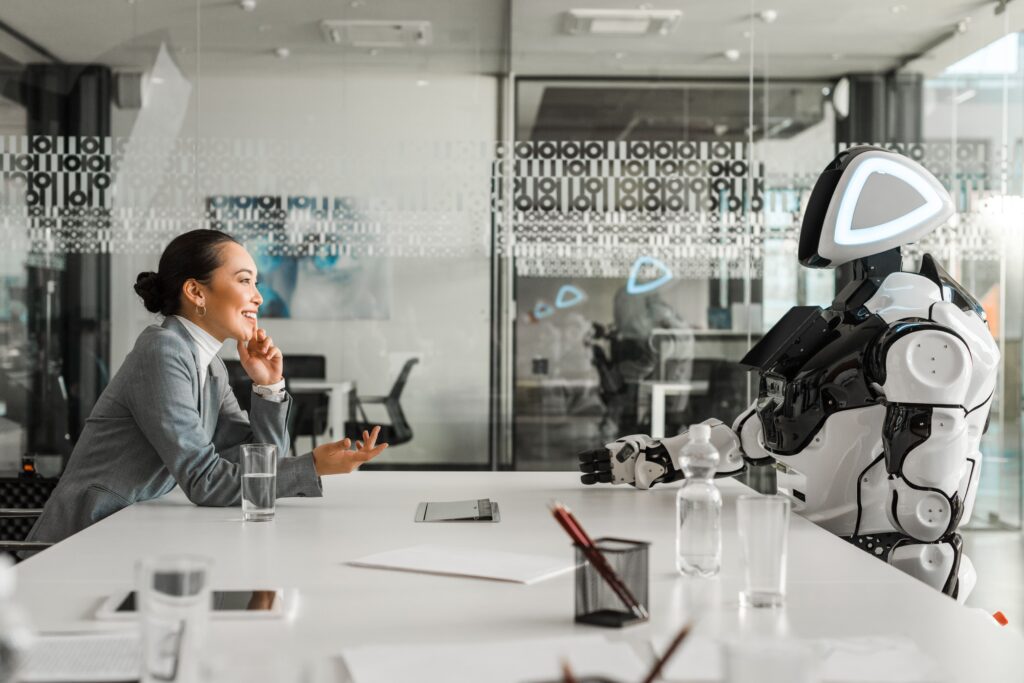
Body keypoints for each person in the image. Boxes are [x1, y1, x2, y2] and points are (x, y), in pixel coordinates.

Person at [25, 229, 387, 549]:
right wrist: (312, 467)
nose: (258, 297)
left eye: (256, 283)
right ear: (196, 291)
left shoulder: (210, 365)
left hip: (130, 533)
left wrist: (269, 386)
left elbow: (259, 461)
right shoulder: (162, 350)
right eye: (245, 281)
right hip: (82, 544)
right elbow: (205, 481)